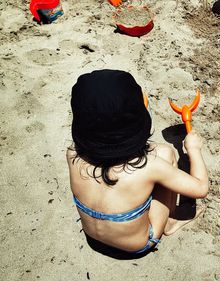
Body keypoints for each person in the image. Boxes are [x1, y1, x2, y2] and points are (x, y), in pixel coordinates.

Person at [67, 69, 209, 255]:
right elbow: (200, 188)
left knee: (157, 157)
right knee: (166, 153)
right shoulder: (151, 167)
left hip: (93, 238)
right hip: (138, 245)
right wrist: (194, 150)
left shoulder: (72, 153)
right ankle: (171, 221)